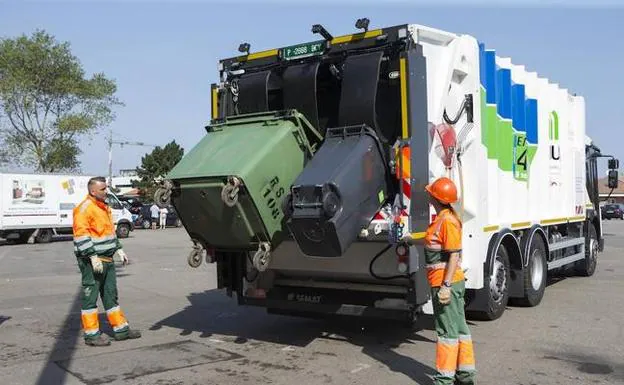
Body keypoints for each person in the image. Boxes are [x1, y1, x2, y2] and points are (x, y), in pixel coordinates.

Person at [402, 177, 476, 385]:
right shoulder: (442, 219)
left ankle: (444, 379)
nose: (427, 194)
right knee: (459, 329)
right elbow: (430, 240)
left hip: (445, 284)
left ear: (436, 197)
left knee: (447, 333)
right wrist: (409, 239)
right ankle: (465, 375)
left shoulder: (448, 222)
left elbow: (453, 254)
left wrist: (446, 286)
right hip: (447, 282)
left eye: (430, 192)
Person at [73, 176, 142, 347]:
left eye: (106, 188)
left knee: (111, 294)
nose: (106, 191)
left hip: (107, 258)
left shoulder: (103, 207)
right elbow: (81, 235)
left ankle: (121, 330)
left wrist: (118, 249)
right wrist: (92, 256)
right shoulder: (84, 209)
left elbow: (109, 232)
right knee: (91, 296)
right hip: (92, 260)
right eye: (103, 189)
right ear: (93, 191)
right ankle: (91, 335)